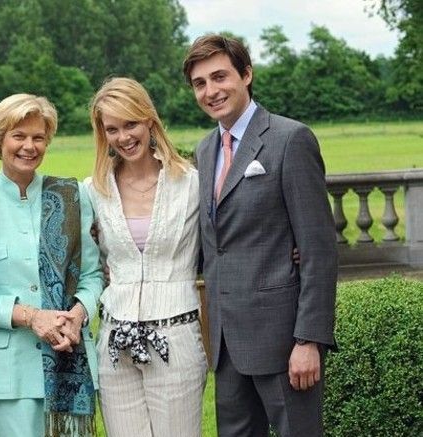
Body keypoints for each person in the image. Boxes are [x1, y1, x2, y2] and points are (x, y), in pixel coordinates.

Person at [183, 34, 338, 437]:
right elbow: (216, 241)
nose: (211, 91)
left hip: (284, 341)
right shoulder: (204, 150)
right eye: (200, 83)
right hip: (226, 342)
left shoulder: (290, 139)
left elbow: (319, 250)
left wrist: (309, 340)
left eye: (220, 77)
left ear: (246, 74)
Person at [0, 94, 103, 437]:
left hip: (71, 358)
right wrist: (32, 316)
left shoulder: (71, 195)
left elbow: (93, 275)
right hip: (10, 376)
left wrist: (79, 314)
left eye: (38, 137)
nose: (29, 146)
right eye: (18, 136)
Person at [85, 77, 207, 437]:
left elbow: (234, 237)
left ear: (149, 121)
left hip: (176, 340)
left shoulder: (191, 184)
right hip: (114, 345)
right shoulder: (93, 190)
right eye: (112, 128)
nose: (124, 136)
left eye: (131, 123)